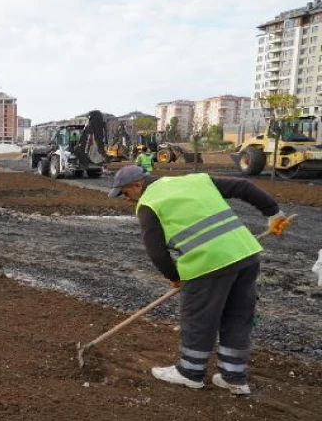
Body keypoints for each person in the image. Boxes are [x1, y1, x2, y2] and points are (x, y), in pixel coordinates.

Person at [108, 165, 292, 395]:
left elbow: (156, 253)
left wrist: (174, 277)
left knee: (199, 318)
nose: (125, 198)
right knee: (236, 316)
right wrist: (274, 213)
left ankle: (190, 373)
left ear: (138, 184)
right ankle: (234, 377)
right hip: (245, 255)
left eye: (124, 193)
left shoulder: (148, 204)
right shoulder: (195, 180)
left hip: (208, 264)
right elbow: (243, 187)